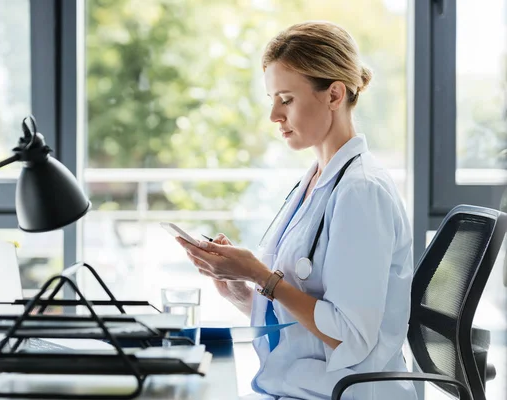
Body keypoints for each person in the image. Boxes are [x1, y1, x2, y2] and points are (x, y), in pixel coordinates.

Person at [175, 21, 417, 400]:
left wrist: (259, 273)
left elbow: (349, 334)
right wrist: (240, 290)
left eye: (286, 99)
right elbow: (302, 318)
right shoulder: (316, 181)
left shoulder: (361, 192)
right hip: (302, 387)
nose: (274, 115)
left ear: (334, 95)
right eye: (271, 99)